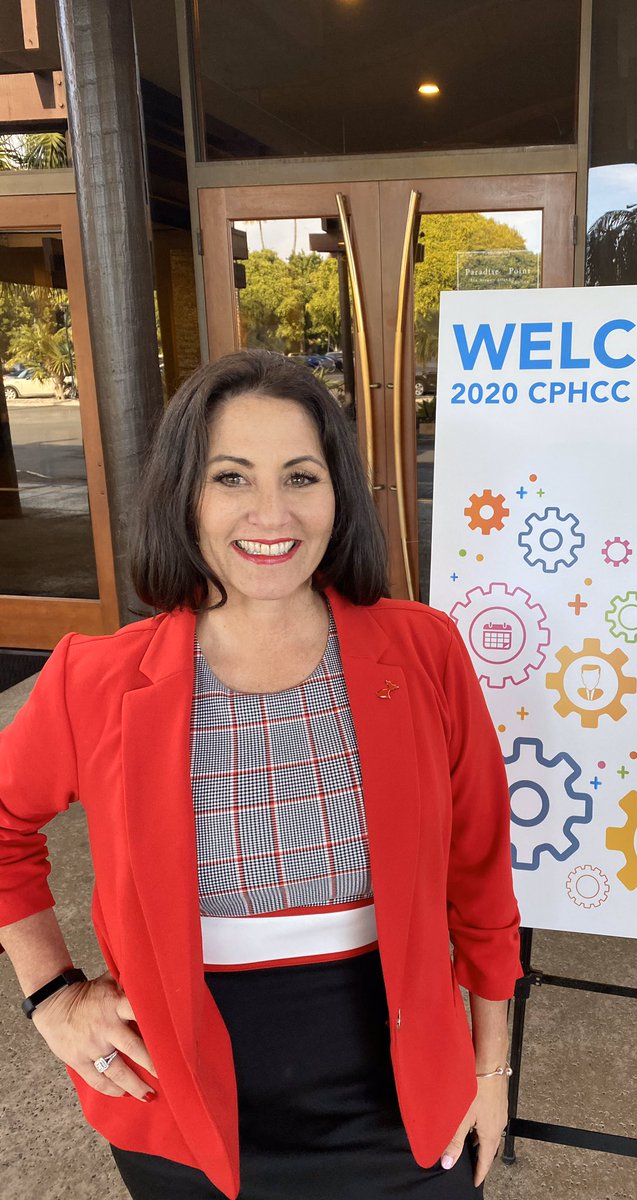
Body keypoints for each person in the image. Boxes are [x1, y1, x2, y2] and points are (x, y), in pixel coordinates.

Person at [0, 350, 521, 1199]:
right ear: (186, 496)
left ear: (338, 493)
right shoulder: (93, 678)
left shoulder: (423, 651)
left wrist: (493, 1072)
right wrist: (52, 993)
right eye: (232, 477)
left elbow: (481, 878)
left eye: (301, 476)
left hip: (404, 1090)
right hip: (180, 1096)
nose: (270, 512)